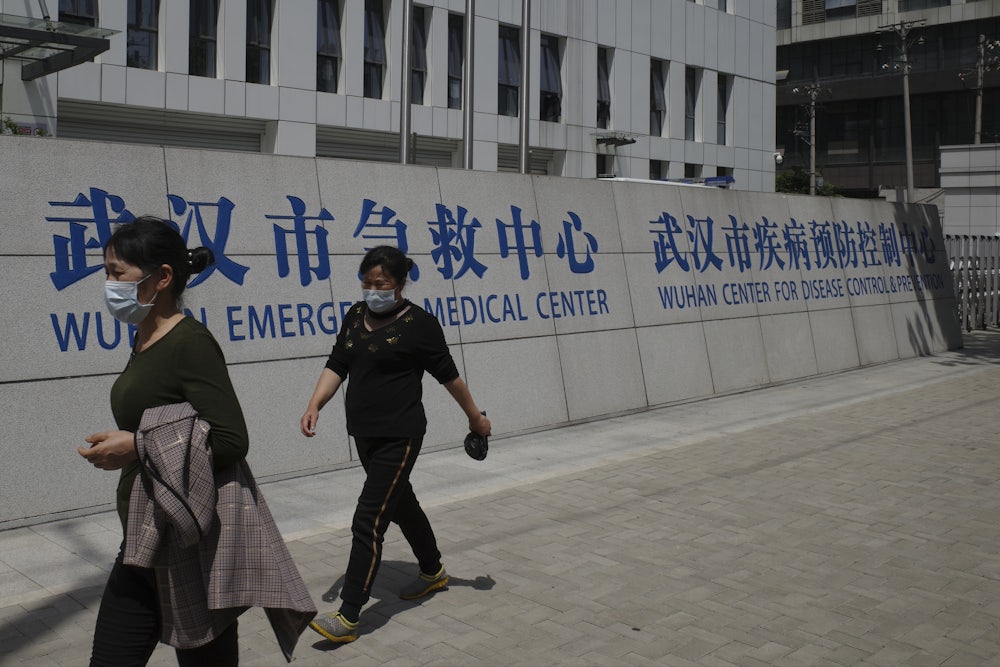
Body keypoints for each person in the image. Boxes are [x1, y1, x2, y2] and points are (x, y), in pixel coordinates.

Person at [79, 216, 314, 666]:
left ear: (161, 278)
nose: (107, 283)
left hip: (187, 547)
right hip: (142, 539)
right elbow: (165, 421)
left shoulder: (191, 342)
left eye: (116, 272)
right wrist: (135, 441)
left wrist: (138, 446)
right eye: (106, 271)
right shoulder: (145, 337)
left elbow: (230, 439)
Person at [300, 245, 492, 643]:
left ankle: (349, 616)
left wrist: (475, 417)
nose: (373, 290)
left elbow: (449, 377)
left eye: (381, 283)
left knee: (368, 520)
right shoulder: (355, 315)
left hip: (400, 435)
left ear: (401, 284)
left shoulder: (419, 324)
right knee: (401, 502)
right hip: (365, 435)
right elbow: (338, 362)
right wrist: (316, 403)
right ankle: (433, 571)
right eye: (367, 282)